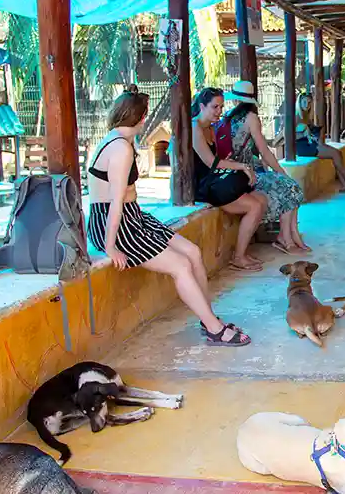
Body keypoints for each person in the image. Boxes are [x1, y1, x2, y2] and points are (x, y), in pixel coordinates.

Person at [86, 85, 250, 347]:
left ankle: (208, 319)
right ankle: (215, 328)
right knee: (181, 266)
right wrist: (110, 247)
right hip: (116, 225)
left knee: (193, 252)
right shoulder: (120, 149)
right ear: (141, 118)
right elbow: (114, 201)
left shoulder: (117, 140)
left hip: (132, 216)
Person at [222, 80, 310, 254]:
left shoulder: (227, 117)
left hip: (236, 173)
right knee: (290, 186)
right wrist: (281, 172)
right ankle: (287, 237)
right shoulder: (251, 118)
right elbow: (264, 151)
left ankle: (290, 235)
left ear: (234, 100)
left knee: (289, 187)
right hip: (246, 175)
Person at [191, 87, 268, 272]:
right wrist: (241, 166)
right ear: (202, 106)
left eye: (221, 107)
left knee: (262, 200)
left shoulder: (209, 126)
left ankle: (243, 253)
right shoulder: (194, 128)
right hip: (203, 187)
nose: (219, 111)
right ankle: (239, 257)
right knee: (255, 206)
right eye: (214, 107)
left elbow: (219, 157)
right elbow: (211, 162)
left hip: (214, 180)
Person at [274, 93, 345, 193]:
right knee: (335, 154)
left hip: (311, 144)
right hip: (303, 147)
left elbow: (311, 130)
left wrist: (314, 132)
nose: (306, 105)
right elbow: (286, 135)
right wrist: (303, 134)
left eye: (309, 103)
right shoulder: (295, 116)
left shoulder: (306, 116)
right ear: (299, 102)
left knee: (337, 154)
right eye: (304, 102)